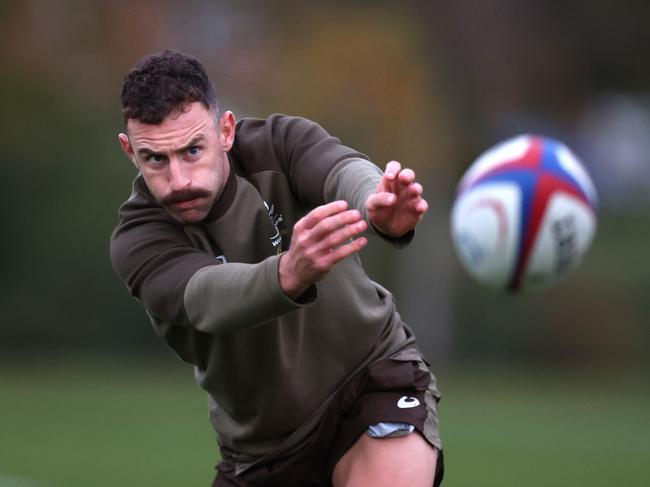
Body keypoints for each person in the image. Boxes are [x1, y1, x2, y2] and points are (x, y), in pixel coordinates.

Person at [110, 50, 444, 487]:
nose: (179, 180)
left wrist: (375, 205)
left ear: (225, 130)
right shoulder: (137, 239)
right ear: (129, 151)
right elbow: (209, 297)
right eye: (156, 158)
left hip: (373, 381)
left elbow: (341, 170)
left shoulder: (278, 144)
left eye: (193, 150)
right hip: (264, 452)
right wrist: (289, 272)